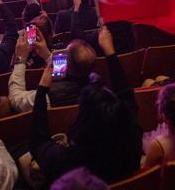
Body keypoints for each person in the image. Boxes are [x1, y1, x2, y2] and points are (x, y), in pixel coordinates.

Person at [29, 26, 142, 184]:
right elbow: (126, 95)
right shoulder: (133, 141)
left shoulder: (70, 163)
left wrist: (41, 90)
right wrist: (110, 51)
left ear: (83, 118)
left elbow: (38, 142)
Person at [8, 32, 97, 112]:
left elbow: (17, 100)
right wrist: (47, 55)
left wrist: (20, 59)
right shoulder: (95, 83)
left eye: (64, 54)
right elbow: (70, 71)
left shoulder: (49, 96)